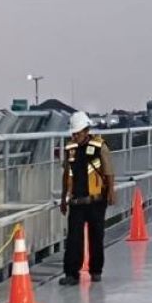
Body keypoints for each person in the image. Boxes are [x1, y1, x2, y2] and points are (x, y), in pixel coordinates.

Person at [59, 111, 116, 285]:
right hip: (76, 200)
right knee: (74, 239)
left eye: (78, 133)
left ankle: (96, 270)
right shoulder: (70, 149)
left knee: (96, 236)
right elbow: (66, 175)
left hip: (96, 200)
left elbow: (109, 171)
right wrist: (63, 198)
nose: (75, 136)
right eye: (73, 133)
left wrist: (111, 191)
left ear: (86, 130)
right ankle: (71, 274)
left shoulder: (99, 147)